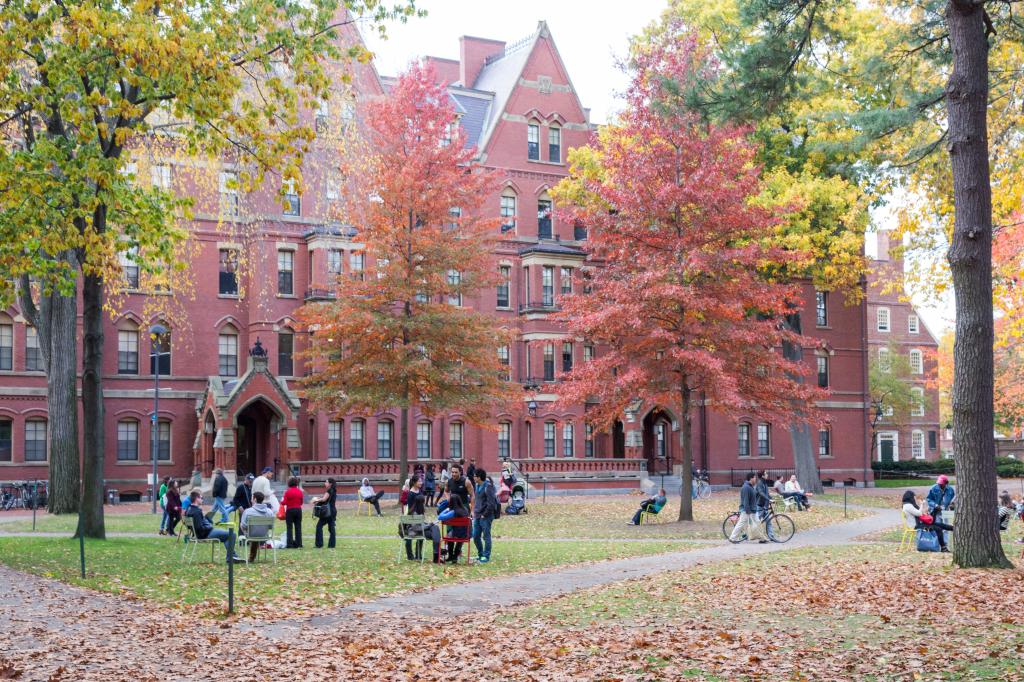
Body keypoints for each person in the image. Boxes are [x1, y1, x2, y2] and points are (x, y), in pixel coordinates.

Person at [184, 490, 242, 560]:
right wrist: (208, 526)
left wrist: (205, 520)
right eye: (201, 498)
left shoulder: (189, 509)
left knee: (228, 536)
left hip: (202, 533)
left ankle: (232, 556)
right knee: (232, 534)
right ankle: (231, 557)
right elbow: (199, 528)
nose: (202, 500)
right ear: (197, 499)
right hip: (206, 534)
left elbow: (194, 525)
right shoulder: (196, 511)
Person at [403, 476, 442, 561]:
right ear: (414, 482)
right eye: (419, 481)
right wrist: (428, 525)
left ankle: (422, 554)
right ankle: (436, 553)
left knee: (434, 527)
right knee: (433, 528)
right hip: (414, 521)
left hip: (419, 520)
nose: (421, 483)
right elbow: (411, 508)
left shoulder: (419, 491)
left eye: (421, 481)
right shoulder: (411, 494)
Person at [729, 472, 767, 543]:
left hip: (753, 510)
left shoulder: (750, 486)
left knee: (758, 523)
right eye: (755, 477)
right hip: (747, 510)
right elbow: (745, 501)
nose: (756, 479)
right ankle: (732, 538)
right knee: (741, 524)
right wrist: (748, 511)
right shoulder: (746, 487)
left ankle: (762, 538)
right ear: (751, 478)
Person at [472, 469, 499, 563]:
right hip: (477, 515)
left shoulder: (488, 487)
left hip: (486, 516)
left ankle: (486, 556)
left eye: (475, 476)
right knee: (475, 536)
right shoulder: (476, 485)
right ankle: (480, 554)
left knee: (486, 536)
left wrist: (485, 514)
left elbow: (491, 503)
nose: (473, 477)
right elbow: (477, 500)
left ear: (479, 477)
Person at [240, 491, 274, 562]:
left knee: (242, 525)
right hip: (264, 536)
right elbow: (271, 526)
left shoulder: (248, 511)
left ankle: (251, 556)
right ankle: (252, 556)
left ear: (255, 499)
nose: (251, 500)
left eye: (252, 498)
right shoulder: (269, 511)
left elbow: (244, 526)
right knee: (256, 530)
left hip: (251, 536)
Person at [440, 492, 470, 563]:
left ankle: (451, 556)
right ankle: (455, 557)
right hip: (466, 533)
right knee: (460, 537)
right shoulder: (465, 510)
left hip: (456, 533)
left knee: (450, 536)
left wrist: (446, 510)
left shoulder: (453, 512)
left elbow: (440, 517)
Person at [926, 475, 955, 545]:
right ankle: (938, 543)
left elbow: (953, 499)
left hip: (946, 511)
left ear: (946, 483)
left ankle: (945, 543)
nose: (939, 485)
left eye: (941, 484)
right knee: (938, 527)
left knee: (946, 527)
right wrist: (935, 505)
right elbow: (928, 499)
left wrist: (952, 504)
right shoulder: (933, 488)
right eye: (939, 483)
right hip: (936, 511)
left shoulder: (950, 489)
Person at [314, 477, 337, 549]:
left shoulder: (329, 491)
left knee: (319, 526)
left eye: (326, 482)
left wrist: (316, 500)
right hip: (333, 511)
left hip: (327, 511)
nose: (325, 483)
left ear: (330, 484)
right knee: (331, 529)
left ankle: (319, 544)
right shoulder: (334, 490)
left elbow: (324, 499)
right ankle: (332, 545)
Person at [281, 477, 304, 549]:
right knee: (298, 527)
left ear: (289, 483)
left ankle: (290, 544)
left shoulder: (287, 492)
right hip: (298, 510)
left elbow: (284, 502)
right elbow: (301, 502)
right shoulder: (300, 491)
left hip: (290, 510)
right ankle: (299, 543)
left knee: (289, 527)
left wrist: (281, 501)